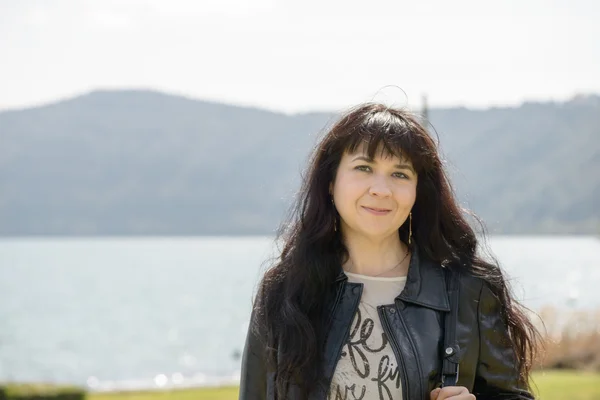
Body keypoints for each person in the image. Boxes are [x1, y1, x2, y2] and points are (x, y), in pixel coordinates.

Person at [239, 103, 540, 400]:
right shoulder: (284, 291)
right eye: (364, 168)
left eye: (400, 174)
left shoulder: (469, 289)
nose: (381, 189)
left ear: (418, 191)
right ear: (330, 183)